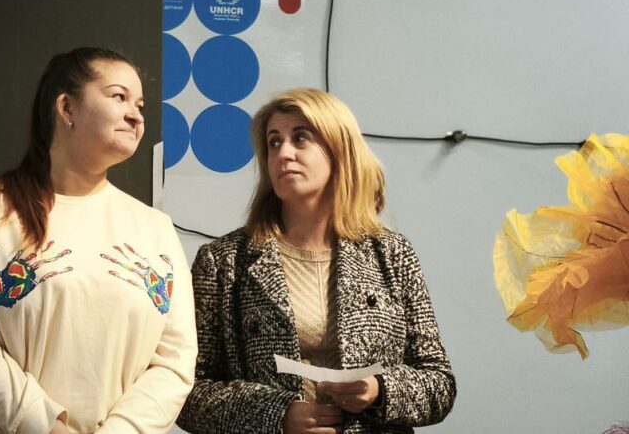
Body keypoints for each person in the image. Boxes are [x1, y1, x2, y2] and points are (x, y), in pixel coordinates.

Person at [0, 47, 197, 433]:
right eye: (119, 97)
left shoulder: (156, 228)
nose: (136, 115)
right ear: (67, 107)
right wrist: (48, 426)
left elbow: (174, 361)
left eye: (140, 105)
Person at [177, 88, 455, 434]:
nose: (283, 153)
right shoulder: (224, 261)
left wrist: (379, 390)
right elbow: (187, 393)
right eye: (274, 142)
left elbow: (439, 384)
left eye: (300, 138)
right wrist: (276, 415)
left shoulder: (392, 253)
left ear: (339, 150)